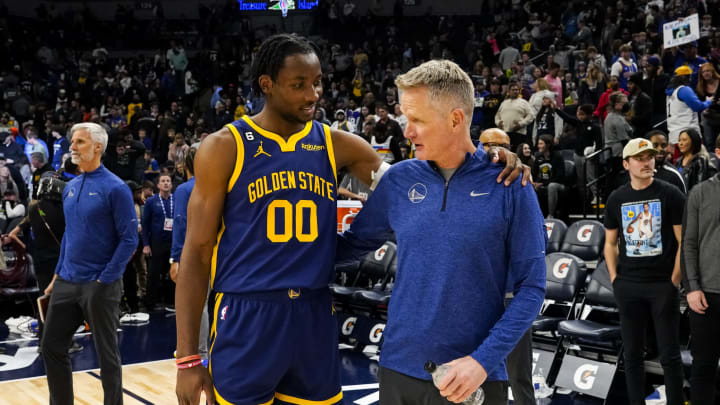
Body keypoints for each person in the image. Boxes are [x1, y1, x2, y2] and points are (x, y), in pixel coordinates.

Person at [174, 33, 527, 405]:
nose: (313, 94)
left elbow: (416, 178)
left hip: (314, 312)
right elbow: (196, 253)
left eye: (317, 82)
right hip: (248, 312)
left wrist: (491, 160)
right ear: (267, 85)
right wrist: (187, 358)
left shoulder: (335, 143)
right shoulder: (225, 146)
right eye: (299, 85)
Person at [338, 60, 546, 405]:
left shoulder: (511, 184)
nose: (407, 131)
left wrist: (482, 361)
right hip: (396, 368)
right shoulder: (398, 179)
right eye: (406, 118)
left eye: (417, 120)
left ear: (455, 119)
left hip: (470, 378)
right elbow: (350, 247)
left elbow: (532, 287)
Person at [40, 122, 138, 405]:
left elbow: (129, 239)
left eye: (79, 142)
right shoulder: (70, 187)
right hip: (67, 282)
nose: (72, 146)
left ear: (98, 147)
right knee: (52, 347)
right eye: (72, 141)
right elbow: (69, 234)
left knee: (107, 355)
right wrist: (57, 275)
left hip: (99, 284)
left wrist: (105, 279)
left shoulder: (116, 188)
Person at [603, 138, 686, 405]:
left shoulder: (671, 193)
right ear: (626, 164)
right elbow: (610, 243)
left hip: (662, 284)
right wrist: (616, 279)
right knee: (633, 354)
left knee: (670, 355)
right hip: (629, 285)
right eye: (640, 158)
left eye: (650, 157)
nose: (647, 162)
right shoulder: (617, 198)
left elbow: (685, 241)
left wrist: (674, 279)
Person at [682, 169, 720, 405]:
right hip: (706, 295)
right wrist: (692, 288)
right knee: (703, 366)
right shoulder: (700, 192)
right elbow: (688, 243)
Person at [169, 148, 208, 361]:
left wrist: (175, 258)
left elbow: (180, 223)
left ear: (185, 166)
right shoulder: (220, 184)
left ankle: (200, 351)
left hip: (193, 254)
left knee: (196, 304)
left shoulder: (184, 189)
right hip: (219, 253)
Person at [142, 173, 175, 312]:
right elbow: (145, 224)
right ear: (158, 185)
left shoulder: (177, 200)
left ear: (171, 184)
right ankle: (151, 302)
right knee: (154, 272)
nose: (166, 183)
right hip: (157, 241)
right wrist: (146, 244)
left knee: (173, 272)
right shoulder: (151, 201)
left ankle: (171, 300)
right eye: (163, 181)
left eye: (168, 181)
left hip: (173, 241)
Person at [666, 66, 712, 148]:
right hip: (689, 135)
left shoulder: (670, 93)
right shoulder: (684, 90)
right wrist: (709, 101)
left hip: (674, 135)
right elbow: (697, 106)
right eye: (689, 76)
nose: (690, 78)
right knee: (696, 159)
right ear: (684, 77)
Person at [674, 128, 717, 193]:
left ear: (694, 141)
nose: (680, 143)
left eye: (684, 140)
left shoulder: (700, 161)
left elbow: (700, 185)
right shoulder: (678, 161)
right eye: (679, 140)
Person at [495, 82, 535, 149]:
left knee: (517, 154)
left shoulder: (523, 102)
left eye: (517, 90)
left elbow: (531, 115)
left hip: (519, 133)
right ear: (509, 91)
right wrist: (498, 122)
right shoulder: (504, 103)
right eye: (513, 90)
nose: (515, 91)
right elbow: (497, 116)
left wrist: (521, 124)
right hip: (504, 133)